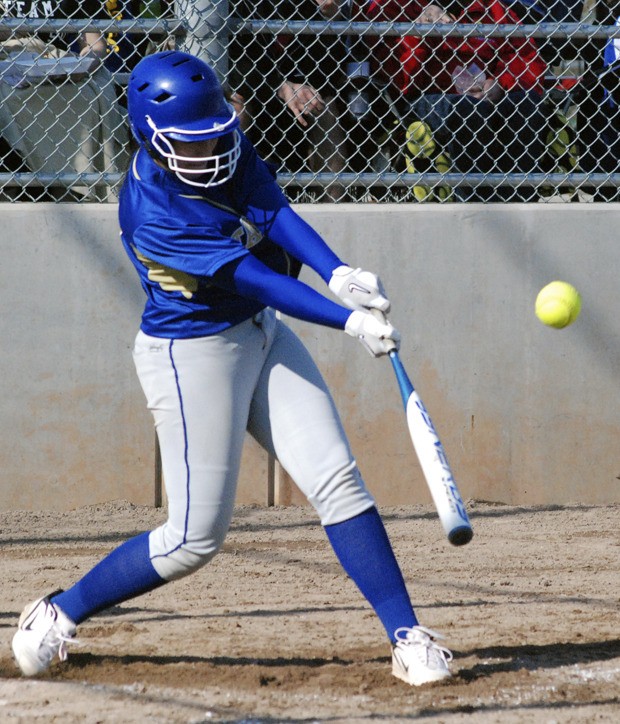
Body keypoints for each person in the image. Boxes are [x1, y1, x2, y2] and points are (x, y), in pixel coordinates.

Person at [11, 50, 454, 687]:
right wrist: (348, 322)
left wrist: (339, 274)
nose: (210, 154)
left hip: (259, 334)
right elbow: (259, 279)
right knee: (193, 539)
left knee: (337, 480)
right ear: (150, 141)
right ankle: (59, 612)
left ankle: (407, 634)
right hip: (193, 359)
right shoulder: (155, 214)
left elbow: (272, 210)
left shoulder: (225, 144)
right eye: (190, 144)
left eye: (215, 135)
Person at [366, 0, 552, 201]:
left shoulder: (491, 7)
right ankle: (472, 204)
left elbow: (526, 56)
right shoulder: (396, 5)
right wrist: (418, 32)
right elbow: (395, 76)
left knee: (526, 102)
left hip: (488, 95)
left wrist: (500, 82)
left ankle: (520, 203)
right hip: (425, 96)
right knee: (466, 108)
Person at [228, 0, 352, 201]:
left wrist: (330, 18)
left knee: (324, 107)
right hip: (252, 85)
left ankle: (333, 204)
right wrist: (280, 86)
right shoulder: (241, 5)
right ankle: (224, 198)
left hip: (297, 89)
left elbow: (330, 68)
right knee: (235, 104)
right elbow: (232, 61)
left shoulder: (308, 6)